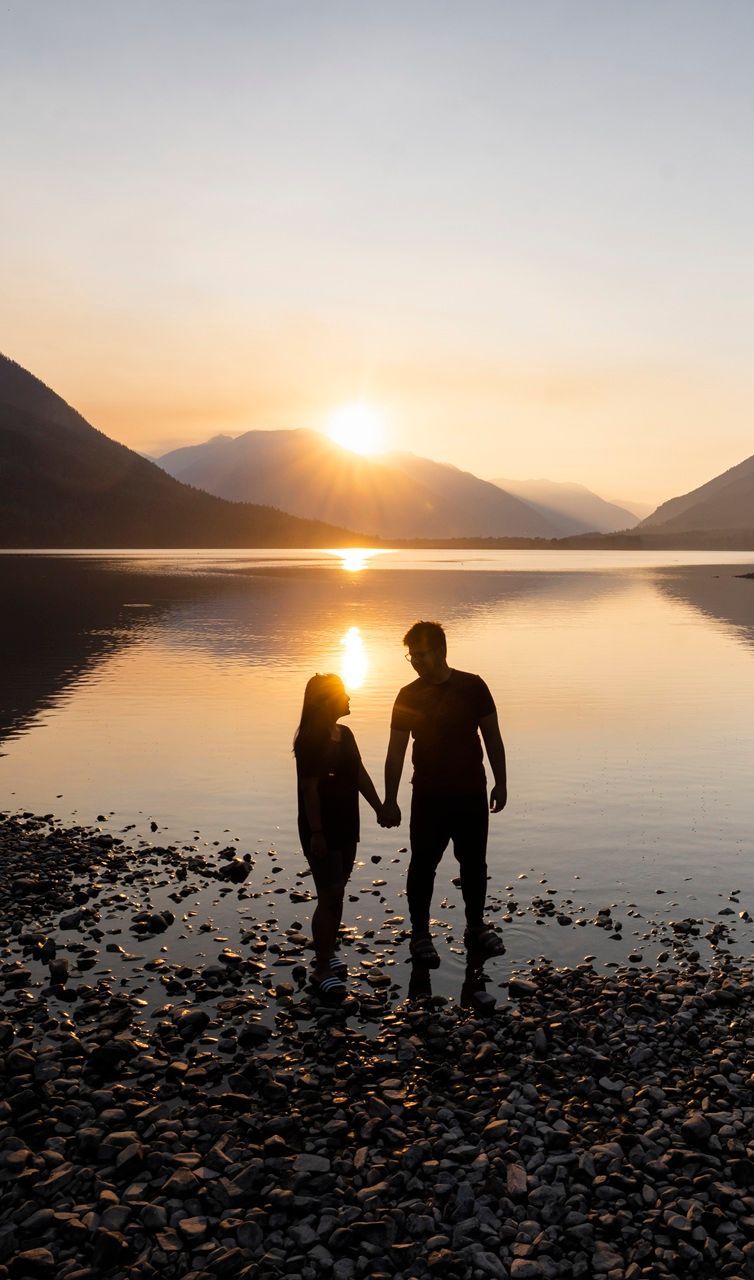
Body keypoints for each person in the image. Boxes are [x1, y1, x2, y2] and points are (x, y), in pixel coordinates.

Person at [381, 620, 507, 967]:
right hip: (428, 795)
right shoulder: (408, 695)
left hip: (471, 792)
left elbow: (493, 737)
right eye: (411, 657)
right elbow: (396, 752)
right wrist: (389, 799)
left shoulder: (473, 686)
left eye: (420, 654)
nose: (416, 661)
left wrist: (502, 781)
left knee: (474, 863)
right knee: (422, 865)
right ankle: (420, 933)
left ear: (440, 651)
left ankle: (475, 926)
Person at [294, 673, 383, 999]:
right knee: (328, 894)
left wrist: (380, 807)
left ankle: (328, 953)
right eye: (343, 693)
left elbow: (359, 773)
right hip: (322, 829)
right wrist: (316, 833)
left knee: (338, 891)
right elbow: (310, 789)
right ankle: (321, 969)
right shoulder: (309, 740)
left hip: (348, 823)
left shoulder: (345, 734)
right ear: (326, 700)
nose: (349, 697)